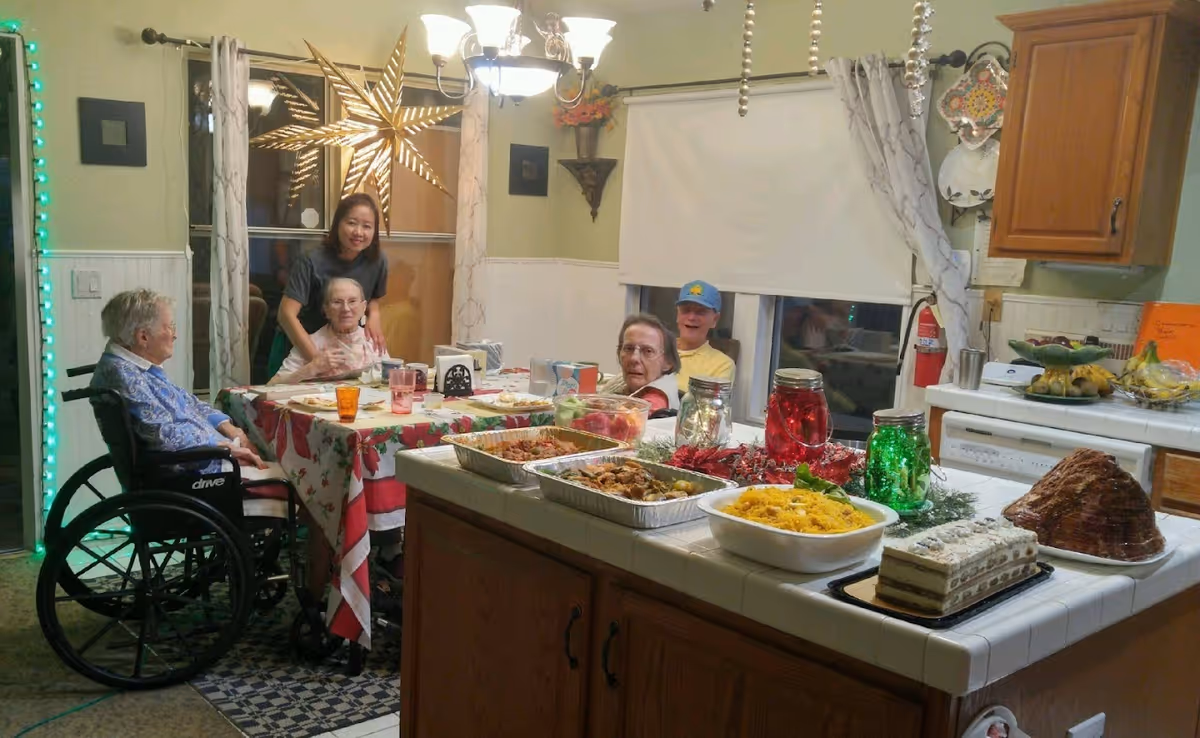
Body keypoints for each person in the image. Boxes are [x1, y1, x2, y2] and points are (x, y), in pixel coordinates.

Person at [91, 289, 270, 475]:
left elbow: (188, 402)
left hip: (211, 456)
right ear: (143, 337)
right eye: (169, 327)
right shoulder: (123, 375)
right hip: (198, 470)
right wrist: (225, 449)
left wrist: (230, 429)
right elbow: (162, 435)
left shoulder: (138, 366)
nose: (174, 335)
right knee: (284, 478)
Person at [270, 193, 389, 376]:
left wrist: (374, 315)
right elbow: (286, 314)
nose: (359, 232)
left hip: (342, 344)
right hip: (299, 342)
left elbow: (373, 296)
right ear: (337, 224)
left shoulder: (377, 261)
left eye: (367, 226)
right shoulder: (310, 261)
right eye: (352, 223)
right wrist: (317, 361)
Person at [268, 278, 390, 385]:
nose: (346, 309)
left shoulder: (373, 340)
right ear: (326, 310)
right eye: (337, 302)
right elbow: (272, 385)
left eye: (352, 301)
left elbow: (389, 377)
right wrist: (312, 368)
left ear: (363, 307)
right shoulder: (312, 342)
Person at [599, 314, 682, 414]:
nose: (634, 358)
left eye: (648, 351)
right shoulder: (621, 382)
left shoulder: (656, 401)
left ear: (668, 362)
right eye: (628, 348)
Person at [675, 280, 735, 393]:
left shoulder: (722, 364)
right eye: (686, 310)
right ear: (678, 315)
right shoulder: (657, 349)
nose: (691, 317)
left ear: (715, 320)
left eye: (700, 312)